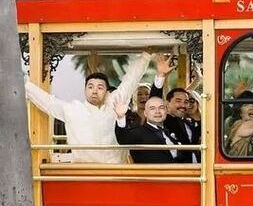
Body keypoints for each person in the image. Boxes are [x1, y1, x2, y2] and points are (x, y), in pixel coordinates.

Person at [23, 50, 155, 164]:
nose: (95, 91)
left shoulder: (114, 105)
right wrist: (24, 85)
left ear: (107, 92)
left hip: (115, 172)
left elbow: (130, 80)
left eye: (100, 87)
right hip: (83, 172)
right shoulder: (73, 110)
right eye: (90, 87)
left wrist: (146, 56)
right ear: (85, 90)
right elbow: (47, 101)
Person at [113, 95, 189, 164]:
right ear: (145, 113)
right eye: (152, 108)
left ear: (166, 111)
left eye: (161, 108)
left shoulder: (168, 131)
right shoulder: (139, 132)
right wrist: (121, 117)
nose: (157, 111)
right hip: (150, 174)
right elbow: (123, 139)